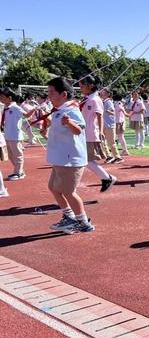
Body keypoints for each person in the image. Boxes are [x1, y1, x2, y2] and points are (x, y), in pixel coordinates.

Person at [44, 77, 95, 233]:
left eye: (52, 92)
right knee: (53, 187)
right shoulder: (60, 111)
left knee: (68, 191)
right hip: (60, 158)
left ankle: (83, 222)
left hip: (70, 159)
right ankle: (69, 217)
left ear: (63, 94)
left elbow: (79, 130)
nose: (49, 96)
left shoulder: (71, 110)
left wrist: (69, 123)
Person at [78, 76, 117, 192]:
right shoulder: (87, 98)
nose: (80, 88)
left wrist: (100, 132)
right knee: (84, 160)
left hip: (90, 133)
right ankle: (107, 178)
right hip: (83, 133)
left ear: (90, 86)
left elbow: (99, 115)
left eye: (82, 86)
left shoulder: (95, 99)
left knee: (87, 160)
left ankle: (107, 178)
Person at [0, 88, 35, 181]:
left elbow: (26, 115)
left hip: (15, 135)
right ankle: (19, 171)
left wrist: (35, 109)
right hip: (7, 135)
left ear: (9, 98)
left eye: (2, 97)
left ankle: (18, 173)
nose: (0, 98)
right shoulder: (5, 108)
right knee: (11, 155)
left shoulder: (15, 107)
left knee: (17, 155)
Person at [113, 93, 129, 160]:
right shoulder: (119, 104)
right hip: (120, 121)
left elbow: (124, 113)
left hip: (118, 122)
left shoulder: (117, 104)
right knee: (119, 137)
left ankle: (125, 150)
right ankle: (124, 150)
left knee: (119, 137)